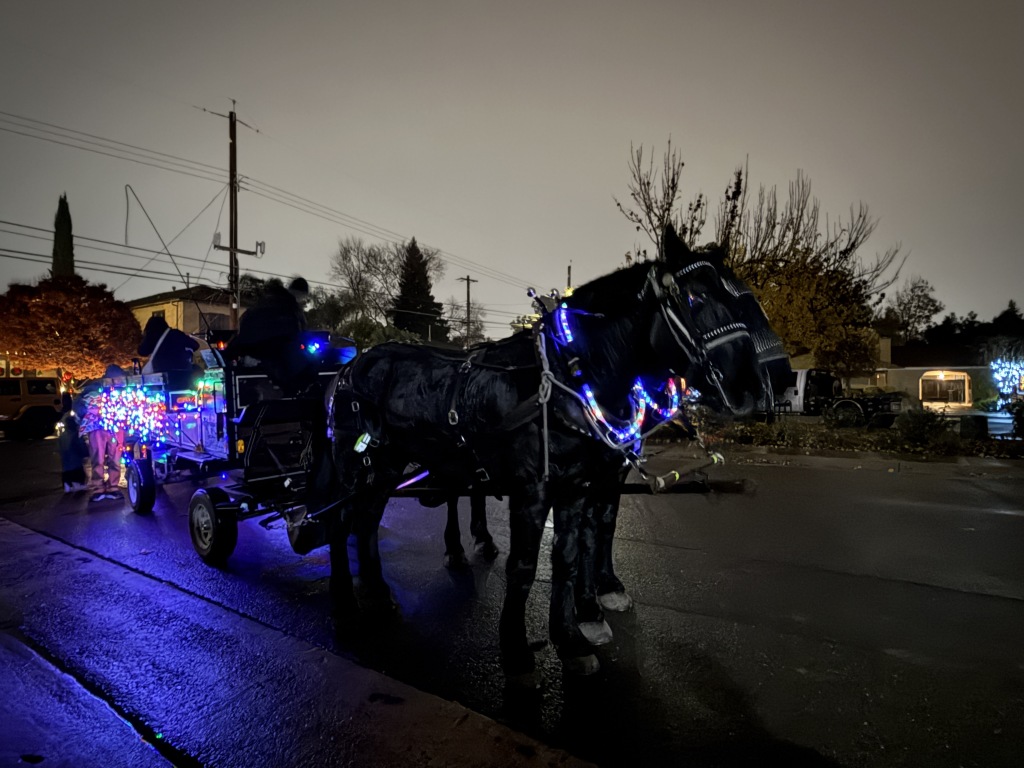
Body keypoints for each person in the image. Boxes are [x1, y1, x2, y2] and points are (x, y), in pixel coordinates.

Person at [224, 277, 316, 396]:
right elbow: (297, 333)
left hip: (249, 349)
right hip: (270, 352)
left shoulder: (265, 302)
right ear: (302, 294)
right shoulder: (289, 307)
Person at [73, 364, 126, 499]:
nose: (119, 381)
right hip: (97, 428)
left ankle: (113, 486)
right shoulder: (94, 388)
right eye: (117, 378)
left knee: (115, 458)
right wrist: (86, 412)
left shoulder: (123, 389)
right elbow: (78, 403)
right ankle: (98, 488)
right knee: (98, 457)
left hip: (116, 427)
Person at [56, 404, 89, 493]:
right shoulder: (76, 435)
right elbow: (81, 446)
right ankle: (77, 484)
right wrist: (86, 453)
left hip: (66, 462)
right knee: (78, 472)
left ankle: (67, 484)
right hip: (75, 461)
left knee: (67, 471)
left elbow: (59, 447)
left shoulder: (62, 436)